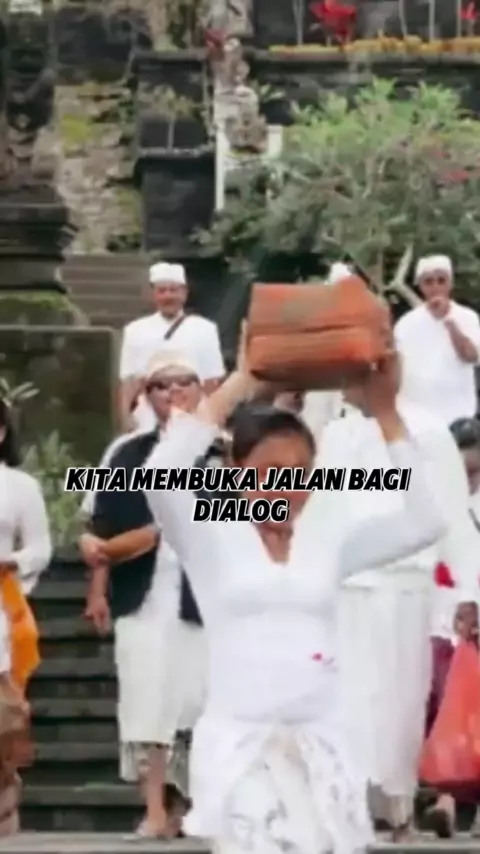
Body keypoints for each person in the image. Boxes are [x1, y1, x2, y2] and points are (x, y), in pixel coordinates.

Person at [141, 327, 446, 854]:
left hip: (322, 741)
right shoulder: (210, 532)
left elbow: (425, 522)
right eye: (269, 472)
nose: (286, 486)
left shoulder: (327, 537)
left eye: (300, 473)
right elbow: (159, 475)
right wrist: (241, 382)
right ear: (235, 472)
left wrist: (386, 414)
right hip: (242, 745)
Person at [317, 354, 479, 840]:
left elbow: (450, 514)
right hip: (346, 588)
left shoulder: (426, 430)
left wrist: (468, 592)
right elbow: (320, 510)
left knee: (401, 701)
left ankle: (398, 811)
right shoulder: (335, 433)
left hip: (408, 587)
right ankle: (347, 807)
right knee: (348, 701)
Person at [79, 351, 220, 839]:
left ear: (201, 389)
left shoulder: (223, 450)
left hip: (204, 599)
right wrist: (97, 585)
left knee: (197, 702)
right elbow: (100, 524)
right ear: (147, 394)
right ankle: (154, 809)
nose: (174, 392)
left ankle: (191, 806)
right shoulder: (126, 452)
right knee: (147, 701)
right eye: (162, 384)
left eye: (184, 382)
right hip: (141, 594)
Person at [424, 417, 480, 838]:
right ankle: (444, 798)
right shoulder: (434, 502)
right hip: (438, 618)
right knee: (447, 708)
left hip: (469, 617)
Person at [0, 397, 52, 834]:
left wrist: (11, 562)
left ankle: (4, 796)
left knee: (5, 715)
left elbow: (40, 547)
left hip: (2, 606)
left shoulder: (19, 486)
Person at [118, 262, 225, 432]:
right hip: (148, 413)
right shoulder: (134, 330)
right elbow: (128, 380)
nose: (168, 296)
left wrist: (215, 417)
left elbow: (212, 380)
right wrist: (125, 417)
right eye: (162, 291)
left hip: (194, 411)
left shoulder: (205, 329)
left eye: (173, 290)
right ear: (153, 294)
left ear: (184, 293)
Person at [395, 255, 480, 424]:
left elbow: (472, 357)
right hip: (415, 414)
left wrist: (448, 321)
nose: (436, 287)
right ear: (420, 286)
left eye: (441, 281)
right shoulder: (405, 323)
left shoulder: (468, 317)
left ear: (450, 284)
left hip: (459, 412)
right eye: (429, 282)